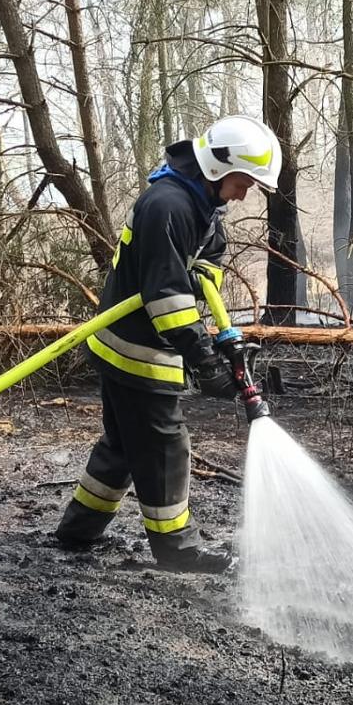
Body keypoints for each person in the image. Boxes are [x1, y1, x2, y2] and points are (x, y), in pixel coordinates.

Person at [53, 115, 281, 573]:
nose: (243, 195)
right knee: (164, 446)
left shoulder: (200, 203)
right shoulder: (168, 205)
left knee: (123, 445)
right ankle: (178, 549)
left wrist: (205, 288)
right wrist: (204, 360)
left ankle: (79, 529)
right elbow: (167, 300)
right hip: (137, 349)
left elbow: (207, 262)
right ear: (219, 168)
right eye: (243, 183)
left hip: (129, 342)